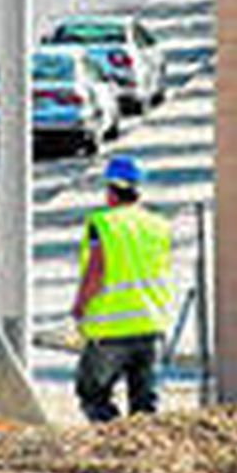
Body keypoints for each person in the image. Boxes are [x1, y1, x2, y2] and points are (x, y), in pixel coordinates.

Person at [71, 155, 173, 423]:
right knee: (145, 404)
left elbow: (97, 269)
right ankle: (145, 455)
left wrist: (80, 306)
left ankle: (113, 448)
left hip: (110, 329)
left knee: (93, 394)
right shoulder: (158, 225)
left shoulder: (103, 223)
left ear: (111, 190)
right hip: (149, 324)